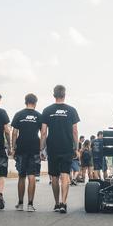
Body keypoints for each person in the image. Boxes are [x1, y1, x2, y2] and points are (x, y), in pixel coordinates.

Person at [40, 85, 80, 213]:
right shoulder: (72, 110)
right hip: (67, 146)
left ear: (54, 95)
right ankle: (64, 203)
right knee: (65, 175)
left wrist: (42, 149)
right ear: (64, 95)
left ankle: (57, 203)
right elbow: (75, 131)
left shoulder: (47, 110)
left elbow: (44, 132)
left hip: (53, 147)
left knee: (55, 176)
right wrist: (77, 148)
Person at [11, 93, 41, 212]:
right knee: (32, 176)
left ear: (25, 101)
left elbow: (14, 133)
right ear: (35, 103)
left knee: (21, 176)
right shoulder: (39, 116)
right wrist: (42, 148)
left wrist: (13, 148)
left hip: (21, 148)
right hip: (34, 148)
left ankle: (20, 204)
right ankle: (30, 204)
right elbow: (43, 132)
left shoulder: (19, 114)